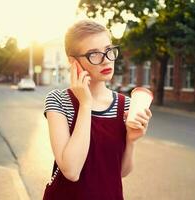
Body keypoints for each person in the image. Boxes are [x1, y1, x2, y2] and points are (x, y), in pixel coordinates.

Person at [42, 19, 152, 200]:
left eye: (109, 50)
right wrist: (85, 104)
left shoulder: (125, 105)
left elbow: (121, 172)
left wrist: (131, 141)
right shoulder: (59, 101)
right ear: (73, 61)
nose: (106, 60)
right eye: (94, 54)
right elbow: (71, 170)